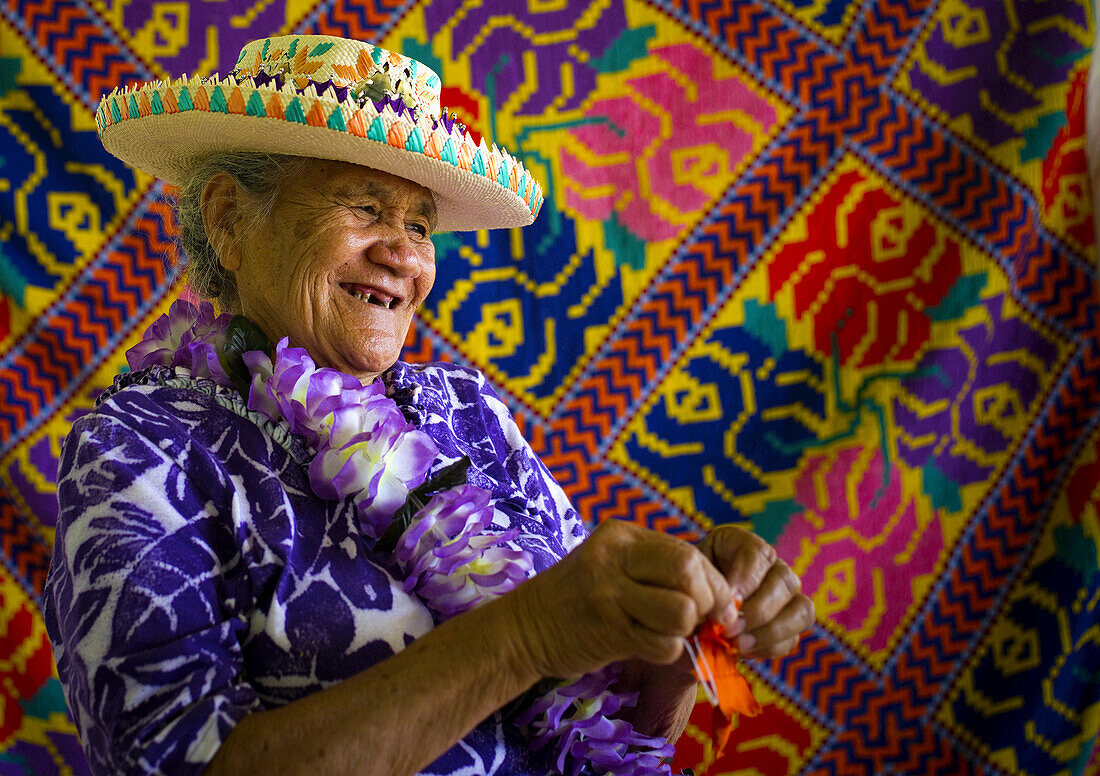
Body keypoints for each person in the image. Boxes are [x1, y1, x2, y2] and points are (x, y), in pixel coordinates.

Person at [43, 34, 815, 776]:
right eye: (364, 208)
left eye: (419, 224)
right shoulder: (143, 447)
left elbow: (605, 728)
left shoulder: (469, 411)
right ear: (228, 219)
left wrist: (681, 635)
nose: (404, 254)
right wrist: (524, 635)